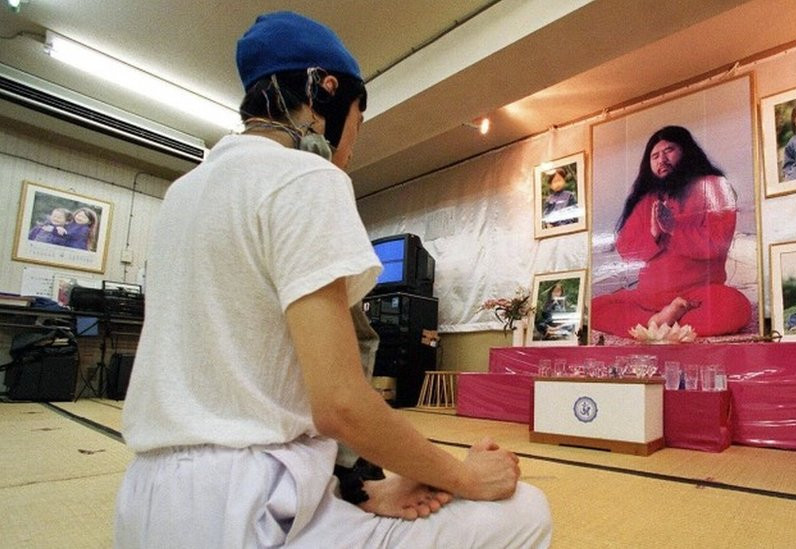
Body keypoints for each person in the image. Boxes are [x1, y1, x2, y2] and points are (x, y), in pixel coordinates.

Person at [115, 11, 551, 548]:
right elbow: (340, 402)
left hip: (145, 505)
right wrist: (459, 473)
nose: (349, 150)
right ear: (327, 93)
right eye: (358, 126)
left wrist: (360, 490)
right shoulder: (306, 176)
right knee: (526, 510)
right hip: (251, 509)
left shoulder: (183, 192)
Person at [590, 125, 751, 338]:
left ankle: (654, 325)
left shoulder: (714, 186)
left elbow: (717, 245)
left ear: (686, 151)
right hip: (648, 299)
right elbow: (626, 251)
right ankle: (659, 321)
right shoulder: (646, 199)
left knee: (734, 307)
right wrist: (654, 235)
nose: (661, 159)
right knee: (594, 308)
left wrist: (674, 230)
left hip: (697, 296)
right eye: (654, 156)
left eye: (669, 150)